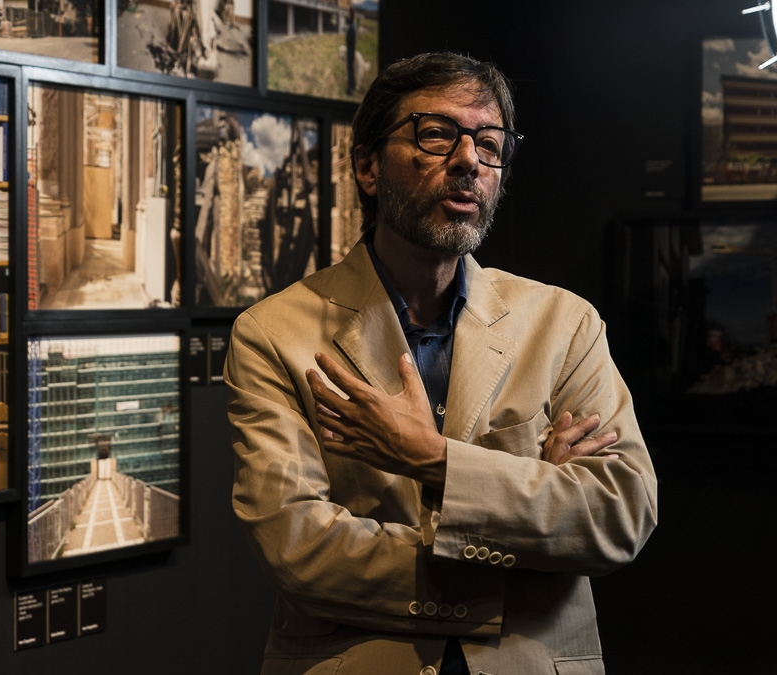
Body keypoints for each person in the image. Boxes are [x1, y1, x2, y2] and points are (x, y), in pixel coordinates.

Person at [225, 52, 658, 674]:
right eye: (436, 135)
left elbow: (620, 514)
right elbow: (300, 550)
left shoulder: (564, 324)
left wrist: (434, 460)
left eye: (490, 144)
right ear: (368, 167)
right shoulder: (273, 334)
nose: (469, 161)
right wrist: (533, 540)